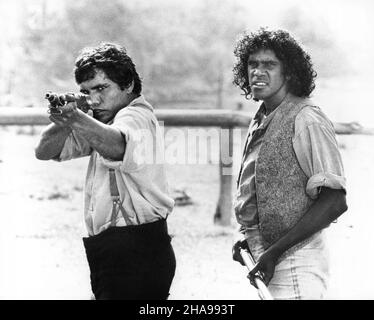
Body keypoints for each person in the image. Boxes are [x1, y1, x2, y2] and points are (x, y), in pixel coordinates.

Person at [35, 43, 176, 300]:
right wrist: (64, 120)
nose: (95, 98)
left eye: (102, 88)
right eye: (87, 92)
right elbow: (44, 151)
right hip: (112, 251)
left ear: (129, 84)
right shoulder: (103, 121)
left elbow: (118, 144)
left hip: (137, 250)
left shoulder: (137, 116)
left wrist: (76, 116)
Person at [231, 28, 347, 300]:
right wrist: (249, 236)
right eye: (252, 64)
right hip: (268, 255)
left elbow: (335, 201)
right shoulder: (263, 116)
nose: (258, 72)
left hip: (297, 259)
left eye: (269, 64)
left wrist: (274, 252)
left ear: (290, 72)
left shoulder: (307, 119)